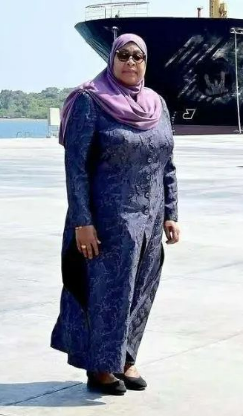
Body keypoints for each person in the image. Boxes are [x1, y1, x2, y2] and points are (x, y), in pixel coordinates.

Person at [51, 34, 180, 396]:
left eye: (138, 56)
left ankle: (125, 357)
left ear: (145, 62)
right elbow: (76, 167)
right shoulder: (90, 100)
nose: (130, 61)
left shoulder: (157, 104)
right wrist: (82, 222)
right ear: (112, 60)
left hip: (150, 220)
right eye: (123, 55)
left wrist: (171, 213)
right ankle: (100, 367)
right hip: (107, 220)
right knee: (107, 294)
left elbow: (167, 163)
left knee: (141, 291)